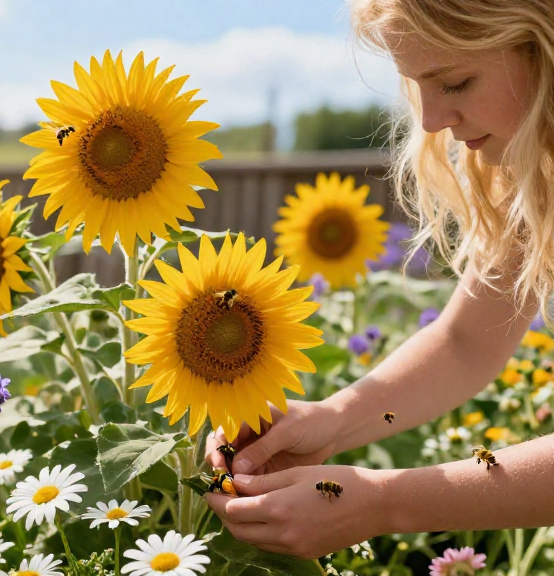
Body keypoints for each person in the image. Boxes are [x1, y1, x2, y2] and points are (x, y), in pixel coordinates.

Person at [204, 0, 554, 560]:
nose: (433, 120)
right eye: (419, 87)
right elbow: (465, 343)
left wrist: (383, 503)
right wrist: (332, 421)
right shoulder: (534, 177)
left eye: (457, 82)